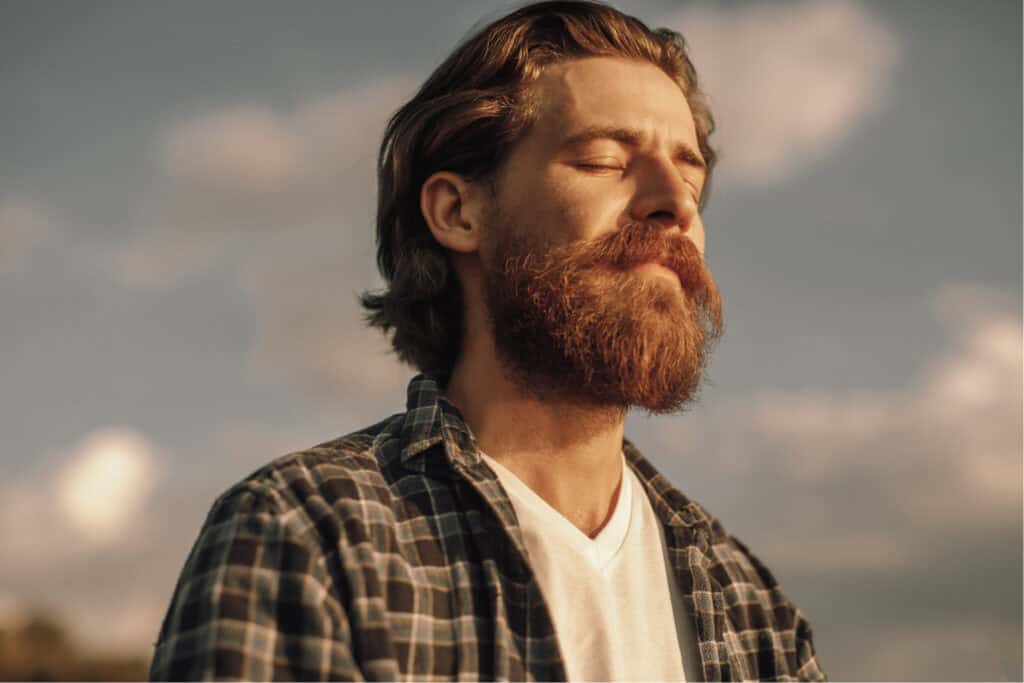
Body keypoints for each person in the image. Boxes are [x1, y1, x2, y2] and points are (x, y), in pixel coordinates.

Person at [150, 1, 827, 680]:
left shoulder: (753, 609)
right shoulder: (305, 537)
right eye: (602, 159)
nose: (676, 203)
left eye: (690, 176)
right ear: (458, 211)